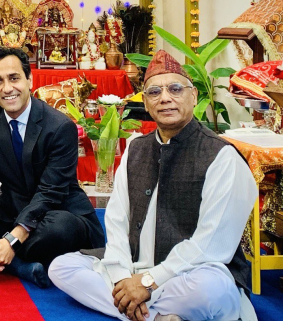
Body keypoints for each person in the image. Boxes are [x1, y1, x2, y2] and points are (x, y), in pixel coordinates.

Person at [49, 50, 257, 321]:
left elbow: (211, 244)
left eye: (175, 89)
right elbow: (116, 220)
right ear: (145, 103)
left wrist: (147, 282)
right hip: (137, 266)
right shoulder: (136, 149)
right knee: (61, 267)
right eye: (155, 92)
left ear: (193, 96)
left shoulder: (221, 155)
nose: (165, 98)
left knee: (212, 291)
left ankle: (135, 307)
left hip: (190, 274)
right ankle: (156, 316)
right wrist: (123, 277)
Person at [0, 47, 105, 287]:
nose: (7, 88)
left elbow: (50, 193)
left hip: (57, 211)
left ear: (29, 79)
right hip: (12, 210)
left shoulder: (60, 126)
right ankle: (16, 265)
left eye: (14, 78)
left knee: (60, 227)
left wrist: (13, 239)